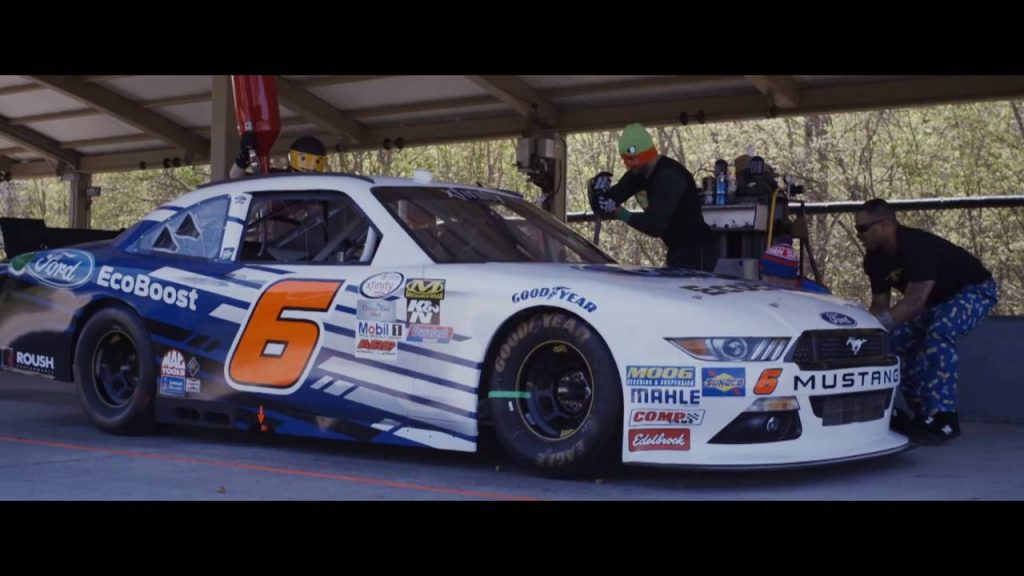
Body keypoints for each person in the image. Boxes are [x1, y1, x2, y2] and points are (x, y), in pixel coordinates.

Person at [856, 198, 998, 444]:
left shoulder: (916, 246)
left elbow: (914, 303)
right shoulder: (874, 260)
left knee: (939, 333)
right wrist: (869, 336)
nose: (859, 234)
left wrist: (878, 327)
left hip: (973, 291)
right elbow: (879, 306)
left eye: (862, 228)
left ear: (885, 226)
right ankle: (923, 415)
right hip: (935, 304)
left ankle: (944, 417)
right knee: (893, 343)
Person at [588, 123, 716, 271]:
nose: (627, 165)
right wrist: (596, 190)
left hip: (697, 249)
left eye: (631, 159)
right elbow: (606, 203)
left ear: (644, 154)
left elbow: (654, 226)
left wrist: (619, 212)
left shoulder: (669, 176)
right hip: (677, 247)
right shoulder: (638, 173)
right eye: (625, 160)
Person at [230, 134, 328, 179]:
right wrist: (243, 157)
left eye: (316, 161)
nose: (309, 166)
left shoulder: (325, 187)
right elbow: (236, 177)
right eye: (303, 159)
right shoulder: (275, 178)